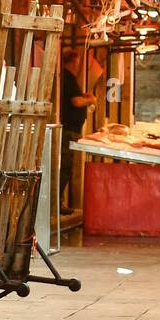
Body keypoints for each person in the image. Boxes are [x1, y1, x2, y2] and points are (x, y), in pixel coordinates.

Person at [59, 46, 94, 207]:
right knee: (65, 166)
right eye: (77, 63)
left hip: (71, 130)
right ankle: (58, 203)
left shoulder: (68, 78)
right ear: (71, 62)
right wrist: (90, 100)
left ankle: (59, 202)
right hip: (67, 131)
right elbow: (76, 101)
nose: (77, 67)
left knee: (67, 167)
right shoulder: (67, 77)